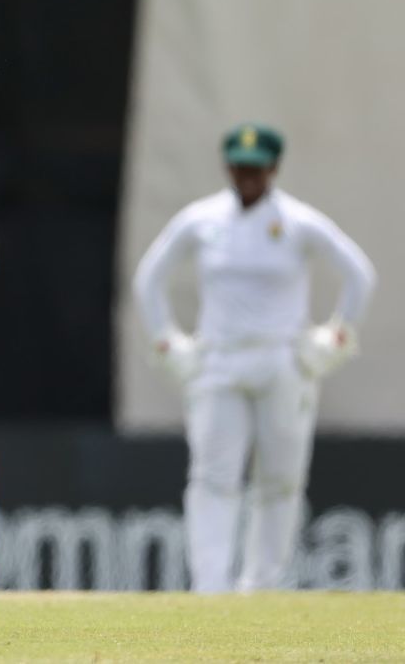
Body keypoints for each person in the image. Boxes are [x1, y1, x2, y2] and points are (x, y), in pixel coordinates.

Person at [133, 123, 376, 593]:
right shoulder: (203, 219)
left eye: (257, 168)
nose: (248, 177)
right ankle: (210, 588)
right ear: (228, 167)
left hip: (283, 363)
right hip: (218, 363)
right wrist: (167, 343)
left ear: (273, 168)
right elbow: (149, 277)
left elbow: (359, 274)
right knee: (213, 478)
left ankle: (261, 587)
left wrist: (335, 339)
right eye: (241, 168)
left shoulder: (298, 222)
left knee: (281, 480)